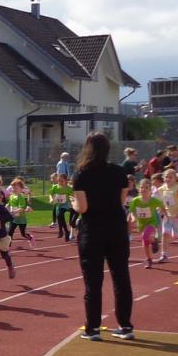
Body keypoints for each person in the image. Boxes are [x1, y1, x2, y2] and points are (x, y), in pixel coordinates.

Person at [70, 130, 134, 340]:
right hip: (116, 228)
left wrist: (73, 204)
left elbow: (82, 207)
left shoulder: (81, 174)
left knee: (93, 281)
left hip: (92, 230)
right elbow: (121, 202)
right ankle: (125, 326)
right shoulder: (119, 172)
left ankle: (93, 328)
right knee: (121, 277)